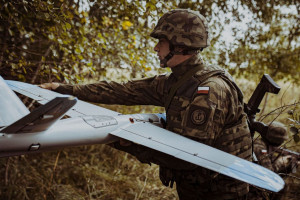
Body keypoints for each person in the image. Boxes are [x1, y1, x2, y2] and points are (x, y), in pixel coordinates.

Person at [41, 9, 252, 200]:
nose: (155, 47)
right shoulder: (178, 81)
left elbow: (189, 158)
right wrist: (64, 89)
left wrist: (128, 143)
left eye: (161, 41)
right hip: (197, 189)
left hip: (221, 192)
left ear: (179, 45)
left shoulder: (209, 91)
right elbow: (121, 90)